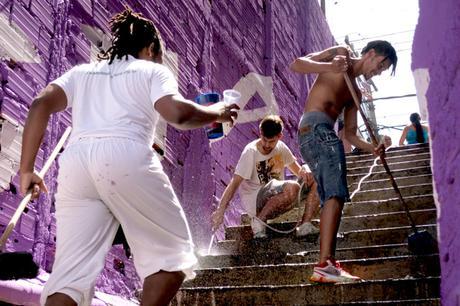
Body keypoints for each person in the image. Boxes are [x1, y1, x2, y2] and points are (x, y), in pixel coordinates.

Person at [19, 8, 239, 306]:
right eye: (159, 55)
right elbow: (179, 114)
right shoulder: (152, 71)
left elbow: (39, 104)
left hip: (76, 165)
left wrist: (27, 170)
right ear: (150, 49)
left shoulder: (82, 72)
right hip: (125, 155)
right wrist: (219, 112)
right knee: (173, 257)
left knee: (69, 277)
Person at [290, 40, 397, 283]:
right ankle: (325, 264)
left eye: (382, 70)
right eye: (380, 64)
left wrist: (373, 148)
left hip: (321, 134)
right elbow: (296, 65)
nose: (377, 72)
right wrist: (330, 67)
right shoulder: (340, 54)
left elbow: (350, 134)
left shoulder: (355, 93)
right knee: (336, 193)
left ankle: (326, 263)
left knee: (333, 193)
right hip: (315, 129)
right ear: (370, 53)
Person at [211, 115, 319, 239]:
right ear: (260, 133)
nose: (266, 145)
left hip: (280, 198)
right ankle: (258, 222)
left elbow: (300, 173)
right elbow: (234, 184)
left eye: (271, 141)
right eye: (264, 139)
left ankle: (305, 225)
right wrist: (220, 211)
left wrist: (306, 168)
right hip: (257, 201)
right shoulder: (250, 152)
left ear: (279, 136)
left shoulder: (281, 148)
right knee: (292, 187)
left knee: (316, 177)